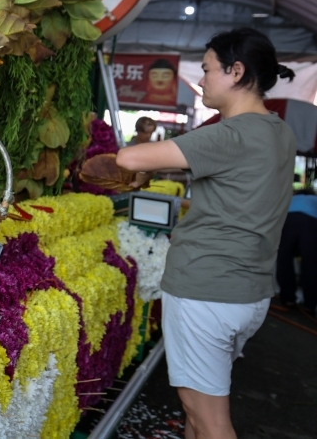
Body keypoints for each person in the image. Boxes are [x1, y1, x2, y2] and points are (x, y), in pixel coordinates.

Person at [117, 28, 296, 439]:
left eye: (207, 69)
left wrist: (147, 164)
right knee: (196, 412)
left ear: (236, 71)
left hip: (207, 291)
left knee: (209, 419)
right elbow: (240, 196)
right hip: (248, 292)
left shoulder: (229, 133)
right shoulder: (279, 131)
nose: (201, 80)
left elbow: (129, 157)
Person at [276, 188, 317, 317]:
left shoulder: (291, 199)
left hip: (288, 221)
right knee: (310, 264)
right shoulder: (315, 200)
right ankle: (310, 305)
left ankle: (288, 299)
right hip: (311, 223)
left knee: (284, 260)